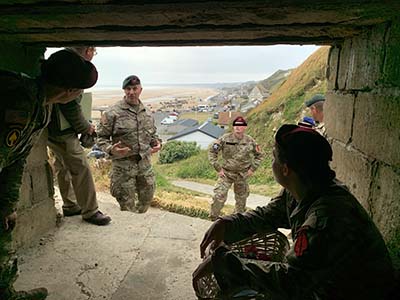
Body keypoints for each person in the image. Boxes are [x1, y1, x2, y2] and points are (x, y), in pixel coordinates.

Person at [193, 124, 395, 300]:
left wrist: (227, 264)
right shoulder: (303, 187)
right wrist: (228, 223)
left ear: (286, 169)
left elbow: (293, 282)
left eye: (274, 158)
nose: (271, 164)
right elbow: (269, 215)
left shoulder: (329, 215)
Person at [0, 49, 98, 299]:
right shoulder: (20, 101)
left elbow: (16, 158)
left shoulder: (41, 107)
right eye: (78, 91)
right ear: (68, 91)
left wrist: (6, 204)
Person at [47, 46, 111, 226]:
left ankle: (70, 204)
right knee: (81, 166)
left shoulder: (63, 60)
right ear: (89, 50)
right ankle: (90, 211)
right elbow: (70, 106)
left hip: (52, 127)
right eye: (93, 52)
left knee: (62, 164)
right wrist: (86, 127)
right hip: (62, 129)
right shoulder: (76, 68)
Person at [97, 75, 161, 213]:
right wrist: (111, 149)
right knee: (127, 208)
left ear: (140, 90)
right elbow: (100, 137)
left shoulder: (148, 113)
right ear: (124, 90)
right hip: (123, 169)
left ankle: (138, 225)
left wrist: (156, 143)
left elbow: (152, 134)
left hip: (144, 166)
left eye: (134, 88)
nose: (131, 92)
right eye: (128, 89)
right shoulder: (113, 112)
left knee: (146, 200)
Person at [208, 116, 263, 221]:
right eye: (236, 125)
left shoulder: (250, 141)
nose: (238, 127)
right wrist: (218, 168)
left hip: (242, 175)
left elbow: (259, 155)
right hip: (226, 174)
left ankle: (237, 221)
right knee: (219, 196)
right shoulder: (225, 138)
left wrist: (252, 169)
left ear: (245, 127)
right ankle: (213, 219)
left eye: (240, 126)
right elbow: (212, 151)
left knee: (241, 200)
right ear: (233, 127)